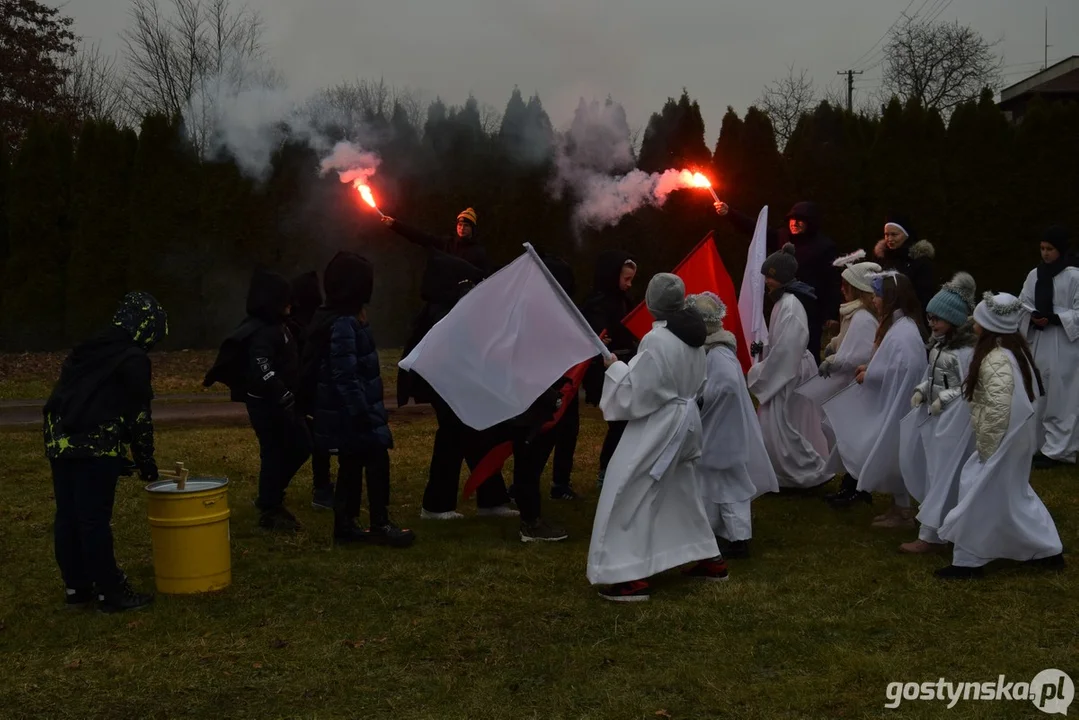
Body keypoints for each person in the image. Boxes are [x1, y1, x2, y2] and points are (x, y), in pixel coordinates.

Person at [587, 273, 726, 602]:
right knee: (681, 491)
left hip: (661, 425)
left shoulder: (658, 340)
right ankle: (708, 557)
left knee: (628, 490)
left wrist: (614, 368)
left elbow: (641, 391)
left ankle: (628, 575)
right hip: (685, 420)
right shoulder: (691, 335)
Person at [379, 207, 513, 518]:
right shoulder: (439, 311)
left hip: (461, 382)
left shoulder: (474, 262)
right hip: (448, 384)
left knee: (474, 431)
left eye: (468, 224)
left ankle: (490, 500)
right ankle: (438, 505)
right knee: (456, 433)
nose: (462, 227)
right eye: (459, 222)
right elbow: (421, 237)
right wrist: (394, 223)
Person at [43, 292, 167, 613]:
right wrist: (145, 461)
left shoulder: (91, 348)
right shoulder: (133, 359)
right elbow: (138, 415)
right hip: (94, 443)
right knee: (93, 520)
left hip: (60, 440)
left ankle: (77, 588)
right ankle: (110, 593)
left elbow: (85, 397)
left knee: (68, 515)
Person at [936, 292, 1065, 579]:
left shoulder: (996, 359)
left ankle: (968, 562)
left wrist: (988, 448)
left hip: (1002, 439)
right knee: (1013, 496)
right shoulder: (1010, 352)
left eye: (979, 319)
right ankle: (1045, 549)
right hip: (1013, 438)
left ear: (990, 324)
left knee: (977, 490)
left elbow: (999, 405)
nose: (974, 324)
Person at [302, 251, 414, 547]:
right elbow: (345, 375)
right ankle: (379, 523)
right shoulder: (342, 324)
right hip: (352, 413)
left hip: (351, 412)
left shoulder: (344, 319)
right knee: (376, 460)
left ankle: (345, 526)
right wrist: (362, 413)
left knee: (351, 466)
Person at [204, 269, 311, 532]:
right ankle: (270, 506)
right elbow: (261, 366)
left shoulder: (281, 326)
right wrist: (280, 392)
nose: (290, 303)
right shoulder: (262, 332)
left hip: (282, 402)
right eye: (284, 299)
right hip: (267, 404)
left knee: (299, 446)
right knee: (278, 452)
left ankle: (271, 497)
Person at [823, 272, 927, 525]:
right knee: (891, 453)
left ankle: (903, 511)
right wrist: (870, 370)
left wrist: (870, 375)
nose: (875, 300)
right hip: (894, 402)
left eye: (878, 295)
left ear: (891, 297)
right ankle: (898, 507)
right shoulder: (899, 326)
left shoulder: (903, 332)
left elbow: (904, 368)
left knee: (892, 453)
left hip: (897, 406)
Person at [688, 291, 778, 559]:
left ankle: (738, 538)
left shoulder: (718, 354)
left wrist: (702, 402)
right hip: (724, 433)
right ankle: (722, 531)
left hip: (724, 434)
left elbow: (724, 386)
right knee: (718, 482)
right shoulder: (716, 350)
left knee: (730, 486)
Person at [899, 272, 978, 554]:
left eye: (938, 319)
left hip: (954, 425)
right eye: (930, 318)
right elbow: (932, 376)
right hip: (935, 422)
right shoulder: (939, 347)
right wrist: (922, 390)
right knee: (935, 473)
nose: (932, 324)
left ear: (954, 320)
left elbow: (963, 386)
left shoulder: (966, 352)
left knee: (947, 474)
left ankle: (931, 534)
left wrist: (940, 400)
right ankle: (939, 527)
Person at [747, 244, 830, 489]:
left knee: (780, 426)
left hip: (790, 371)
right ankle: (790, 476)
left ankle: (810, 473)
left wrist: (759, 372)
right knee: (789, 424)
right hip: (788, 367)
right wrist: (763, 348)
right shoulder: (782, 303)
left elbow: (787, 350)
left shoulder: (790, 307)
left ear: (781, 278)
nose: (767, 282)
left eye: (770, 277)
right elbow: (779, 343)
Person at [715, 200, 840, 360]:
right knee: (782, 347)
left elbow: (832, 282)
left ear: (811, 222)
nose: (794, 223)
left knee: (807, 351)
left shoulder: (824, 247)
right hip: (783, 303)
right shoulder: (783, 236)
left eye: (800, 219)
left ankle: (809, 381)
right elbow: (757, 230)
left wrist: (830, 314)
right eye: (792, 219)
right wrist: (730, 213)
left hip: (810, 310)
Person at [816, 254, 882, 502]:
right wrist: (835, 344)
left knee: (851, 436)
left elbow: (860, 354)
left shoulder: (862, 318)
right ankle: (852, 485)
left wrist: (833, 360)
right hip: (847, 384)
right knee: (845, 436)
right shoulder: (853, 314)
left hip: (854, 386)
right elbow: (847, 341)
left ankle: (856, 487)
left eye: (847, 285)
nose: (842, 289)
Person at [1018, 226, 1079, 469]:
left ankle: (1061, 449)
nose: (1045, 253)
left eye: (1050, 249)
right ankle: (1039, 444)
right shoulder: (1035, 275)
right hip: (1040, 342)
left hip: (1065, 343)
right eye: (1042, 248)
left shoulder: (1073, 276)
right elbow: (1023, 302)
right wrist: (1032, 316)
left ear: (1060, 250)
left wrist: (1054, 318)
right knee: (1039, 392)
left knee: (1062, 396)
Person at [581, 249, 639, 490]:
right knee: (620, 422)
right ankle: (607, 471)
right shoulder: (595, 304)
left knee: (624, 422)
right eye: (626, 278)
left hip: (626, 367)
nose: (629, 284)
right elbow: (593, 332)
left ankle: (617, 469)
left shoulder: (626, 301)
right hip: (605, 372)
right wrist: (598, 338)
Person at [289, 270, 334, 510]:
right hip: (310, 390)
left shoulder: (295, 322)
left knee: (314, 444)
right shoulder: (310, 321)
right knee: (316, 445)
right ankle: (322, 489)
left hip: (306, 390)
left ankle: (322, 488)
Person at [873, 214, 936, 312]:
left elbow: (924, 298)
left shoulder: (921, 263)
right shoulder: (883, 259)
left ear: (906, 235)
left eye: (894, 234)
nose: (889, 239)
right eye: (886, 234)